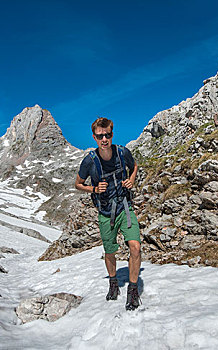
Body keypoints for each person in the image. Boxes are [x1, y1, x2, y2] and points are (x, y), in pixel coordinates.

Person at [75, 117, 142, 311]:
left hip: (125, 207)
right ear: (94, 137)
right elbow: (78, 184)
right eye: (100, 136)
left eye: (108, 135)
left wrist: (131, 180)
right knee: (110, 251)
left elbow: (134, 166)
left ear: (112, 134)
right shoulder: (90, 161)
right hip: (105, 212)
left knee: (135, 247)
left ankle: (133, 290)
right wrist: (94, 189)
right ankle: (113, 283)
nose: (104, 139)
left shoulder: (122, 153)